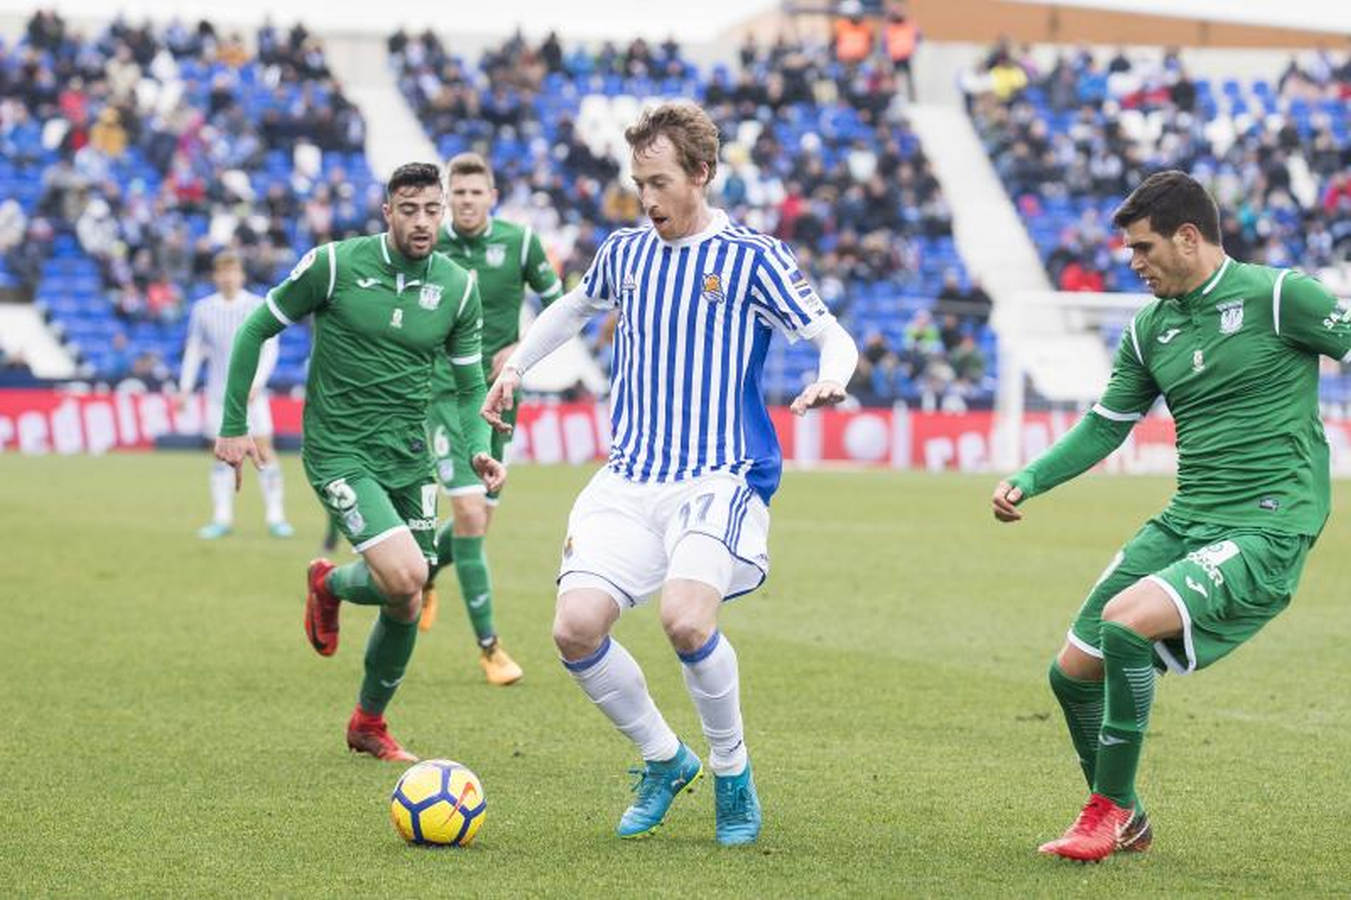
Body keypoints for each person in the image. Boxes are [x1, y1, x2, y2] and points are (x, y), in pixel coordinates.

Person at [482, 102, 858, 846]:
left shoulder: (753, 258)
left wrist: (831, 376)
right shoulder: (624, 252)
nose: (646, 199)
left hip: (716, 476)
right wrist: (517, 364)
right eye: (637, 182)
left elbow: (828, 333)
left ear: (702, 174)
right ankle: (662, 758)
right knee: (573, 629)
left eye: (658, 182)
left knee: (686, 620)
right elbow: (572, 307)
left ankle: (731, 771)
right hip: (629, 478)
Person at [991, 170, 1351, 862]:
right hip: (1187, 517)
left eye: (1142, 247)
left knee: (1127, 622)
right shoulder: (1149, 328)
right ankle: (1127, 817)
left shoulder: (1281, 297)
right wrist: (1029, 478)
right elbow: (1104, 426)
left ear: (1188, 238)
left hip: (1267, 525)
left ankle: (1104, 812)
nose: (1132, 262)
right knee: (1070, 674)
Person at [215, 162, 505, 762]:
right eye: (410, 209)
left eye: (433, 210)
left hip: (409, 453)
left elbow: (473, 384)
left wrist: (478, 443)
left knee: (408, 591)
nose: (423, 221)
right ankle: (336, 594)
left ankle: (366, 717)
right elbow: (254, 330)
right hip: (340, 448)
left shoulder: (458, 287)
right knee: (405, 577)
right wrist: (234, 427)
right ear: (387, 212)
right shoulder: (335, 265)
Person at [419, 152, 563, 686]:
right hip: (444, 396)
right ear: (448, 198)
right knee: (472, 520)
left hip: (500, 399)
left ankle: (425, 572)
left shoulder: (520, 243)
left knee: (477, 523)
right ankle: (491, 649)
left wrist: (522, 350)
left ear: (492, 196)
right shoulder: (429, 243)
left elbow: (559, 306)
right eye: (458, 193)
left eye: (476, 193)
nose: (466, 201)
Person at [177, 251, 292, 539]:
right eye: (222, 272)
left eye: (233, 272)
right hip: (219, 395)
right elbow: (194, 351)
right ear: (215, 276)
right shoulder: (203, 310)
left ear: (241, 275)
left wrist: (258, 382)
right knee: (221, 455)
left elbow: (270, 347)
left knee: (265, 450)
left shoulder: (257, 305)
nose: (228, 277)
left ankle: (276, 516)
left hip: (253, 395)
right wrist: (185, 389)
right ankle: (221, 517)